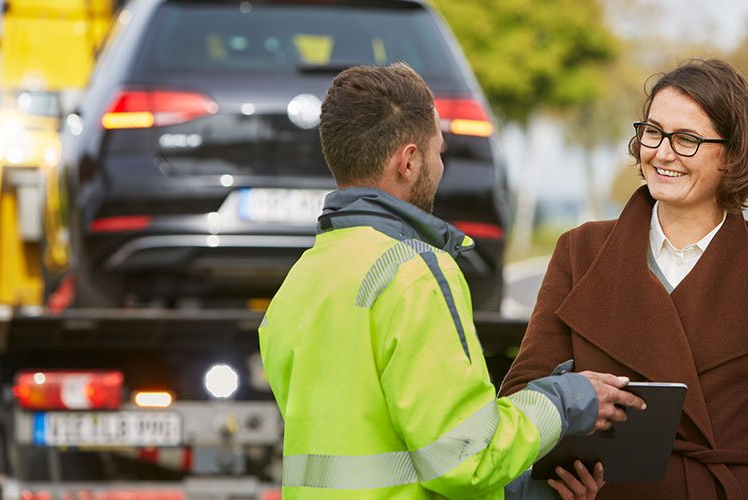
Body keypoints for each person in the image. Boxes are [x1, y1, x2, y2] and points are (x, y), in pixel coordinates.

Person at [258, 62, 645, 499]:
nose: (440, 167)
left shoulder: (302, 278)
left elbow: (381, 448)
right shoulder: (413, 271)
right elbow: (463, 459)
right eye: (438, 151)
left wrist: (526, 491)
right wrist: (564, 399)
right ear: (408, 161)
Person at [499, 58, 748, 499]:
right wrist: (560, 473)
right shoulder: (580, 251)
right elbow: (523, 399)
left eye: (687, 139)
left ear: (733, 153)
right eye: (653, 132)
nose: (662, 152)